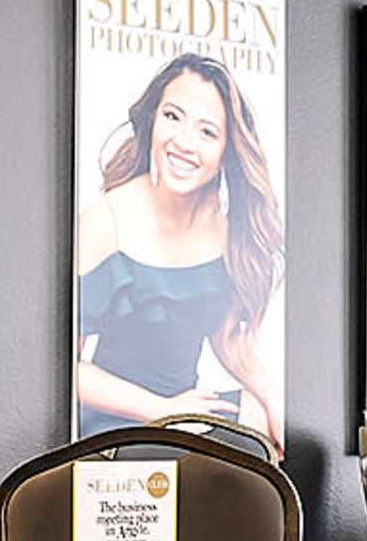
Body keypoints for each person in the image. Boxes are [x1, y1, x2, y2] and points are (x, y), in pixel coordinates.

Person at [75, 51, 284, 454]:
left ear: (226, 151)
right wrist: (163, 411)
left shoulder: (225, 233)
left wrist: (275, 400)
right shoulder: (104, 223)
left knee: (264, 426)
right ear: (153, 120)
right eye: (173, 116)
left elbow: (227, 339)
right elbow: (65, 371)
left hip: (185, 419)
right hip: (114, 425)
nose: (184, 142)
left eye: (207, 132)